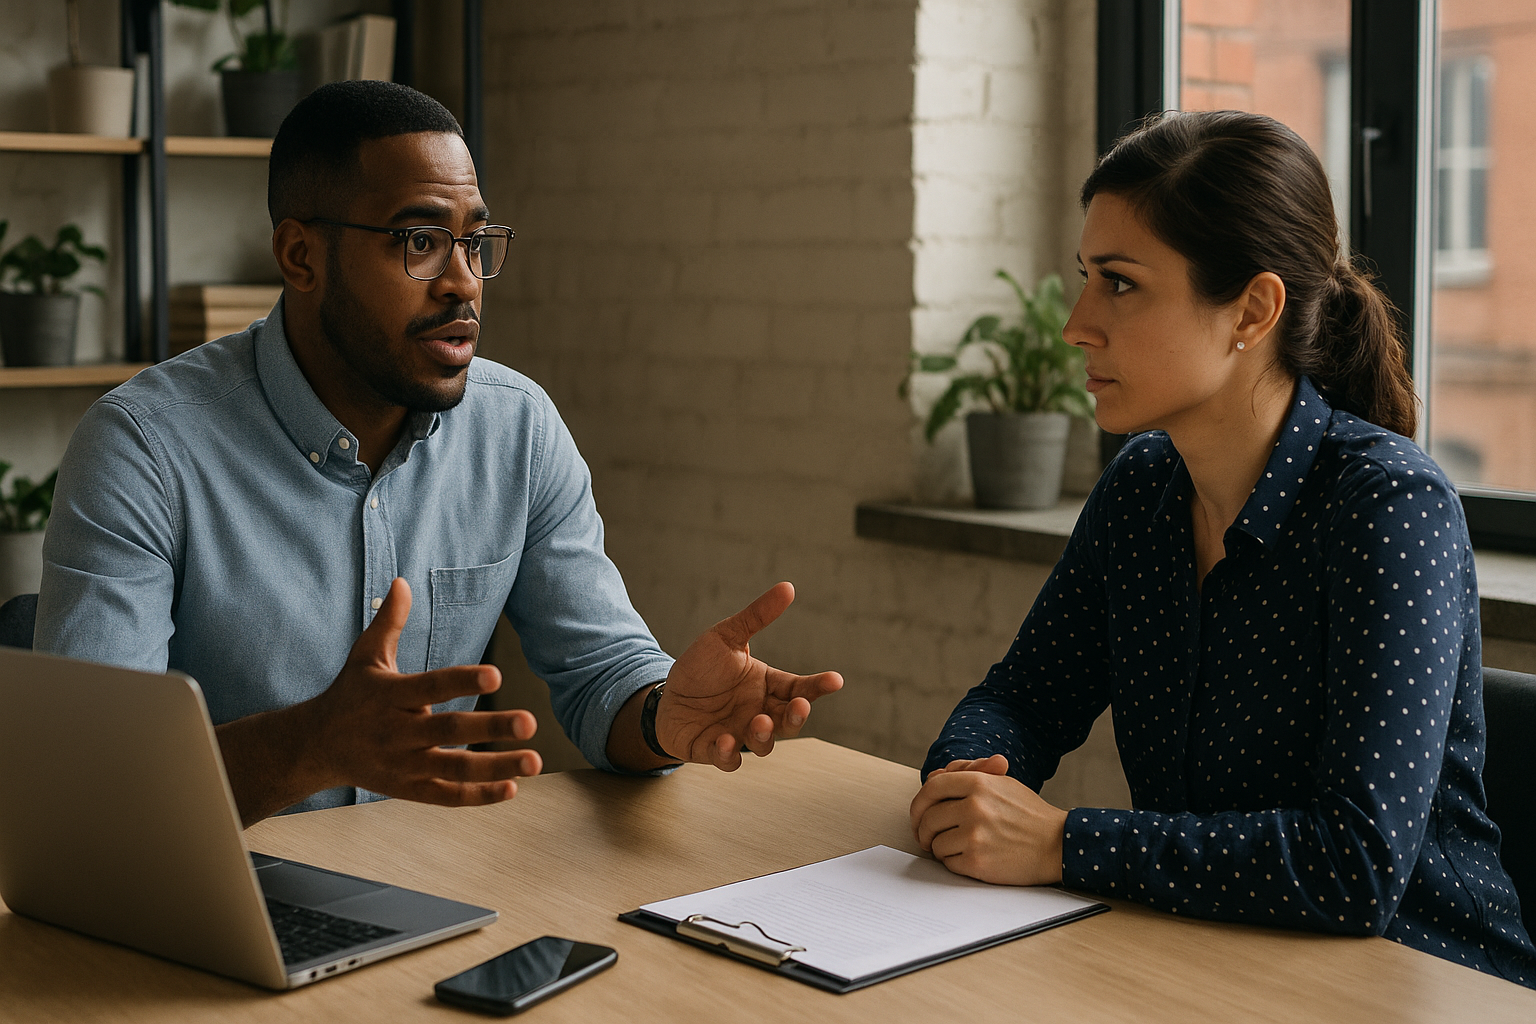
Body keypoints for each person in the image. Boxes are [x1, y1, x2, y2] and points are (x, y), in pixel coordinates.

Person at [36, 80, 842, 826]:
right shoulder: (143, 448)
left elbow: (602, 675)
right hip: (215, 892)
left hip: (427, 888)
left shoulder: (518, 429)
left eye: (475, 241)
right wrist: (314, 744)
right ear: (300, 256)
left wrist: (666, 715)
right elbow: (91, 783)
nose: (464, 282)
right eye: (419, 241)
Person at [909, 110, 1536, 986]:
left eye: (1120, 284)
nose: (1078, 324)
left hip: (1428, 985)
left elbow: (1354, 864)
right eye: (1087, 277)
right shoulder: (1141, 489)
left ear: (1252, 310)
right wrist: (966, 782)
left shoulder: (1390, 506)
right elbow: (1023, 697)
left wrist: (1061, 843)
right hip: (1213, 963)